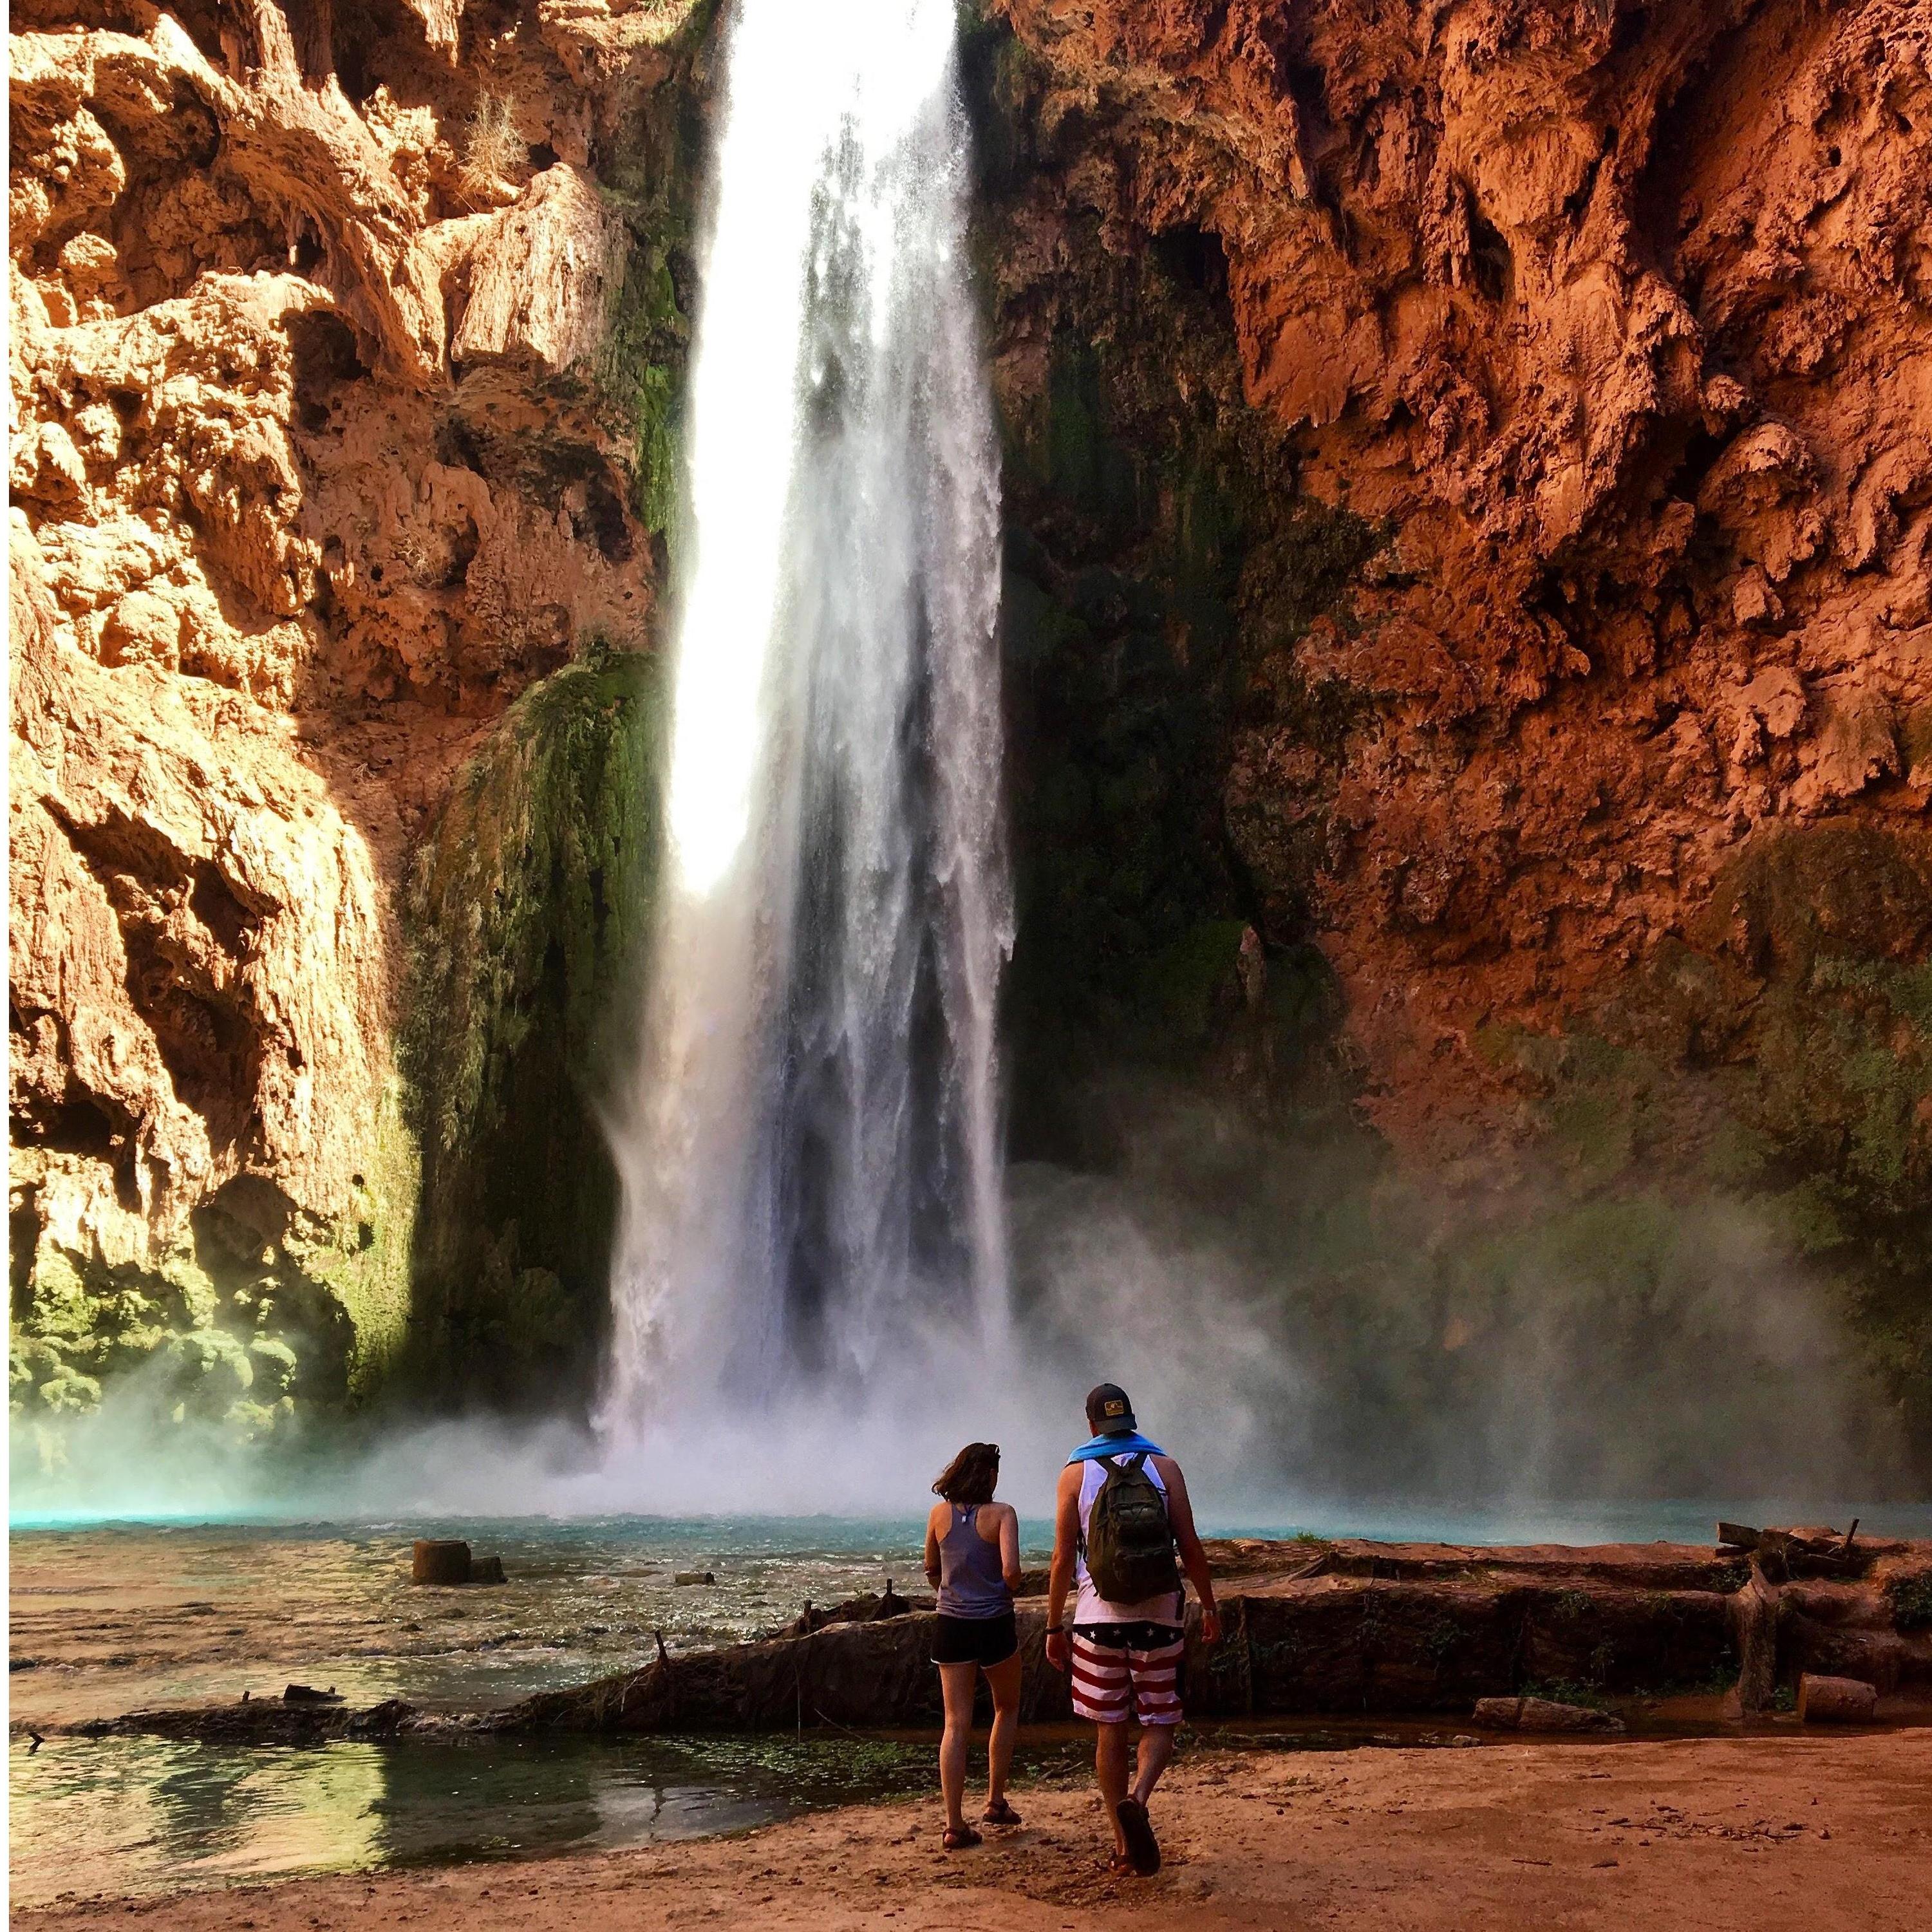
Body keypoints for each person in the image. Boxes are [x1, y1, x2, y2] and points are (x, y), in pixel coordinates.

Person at [1044, 1383, 1219, 1876]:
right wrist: (1209, 1607)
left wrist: (1054, 1625)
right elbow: (1189, 1544)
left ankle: (1122, 1845)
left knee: (1110, 1728)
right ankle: (1139, 1798)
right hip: (1160, 1616)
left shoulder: (1074, 1473)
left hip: (1097, 1620)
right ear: (1131, 1420)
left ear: (1091, 1424)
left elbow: (1062, 1558)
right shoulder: (1164, 1468)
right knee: (1160, 1721)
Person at [924, 1440, 1025, 1850]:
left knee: (955, 1723)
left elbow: (932, 1568)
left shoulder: (938, 1514)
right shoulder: (1002, 1515)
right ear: (990, 1475)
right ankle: (995, 1801)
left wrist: (952, 1590)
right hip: (995, 1623)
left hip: (951, 1624)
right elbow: (1012, 1571)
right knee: (1006, 1707)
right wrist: (1005, 1589)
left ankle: (953, 1824)